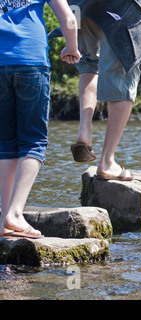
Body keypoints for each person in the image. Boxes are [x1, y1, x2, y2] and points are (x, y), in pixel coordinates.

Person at [66, 0, 141, 181]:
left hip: (78, 3)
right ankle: (107, 162)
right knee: (124, 70)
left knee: (88, 62)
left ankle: (85, 129)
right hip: (121, 5)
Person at [0, 0, 80, 238]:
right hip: (30, 60)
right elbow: (69, 18)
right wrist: (71, 47)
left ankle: (5, 219)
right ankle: (14, 212)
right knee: (34, 141)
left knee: (4, 142)